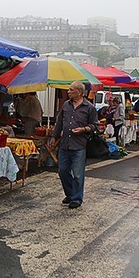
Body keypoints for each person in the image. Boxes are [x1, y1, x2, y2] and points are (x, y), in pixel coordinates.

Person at [49, 81, 98, 209]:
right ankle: (70, 194)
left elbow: (95, 126)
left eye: (71, 90)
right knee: (62, 171)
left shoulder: (89, 107)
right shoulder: (66, 105)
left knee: (77, 174)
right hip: (65, 144)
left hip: (79, 146)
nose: (68, 91)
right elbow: (59, 122)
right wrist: (54, 136)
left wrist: (84, 129)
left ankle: (76, 198)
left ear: (79, 92)